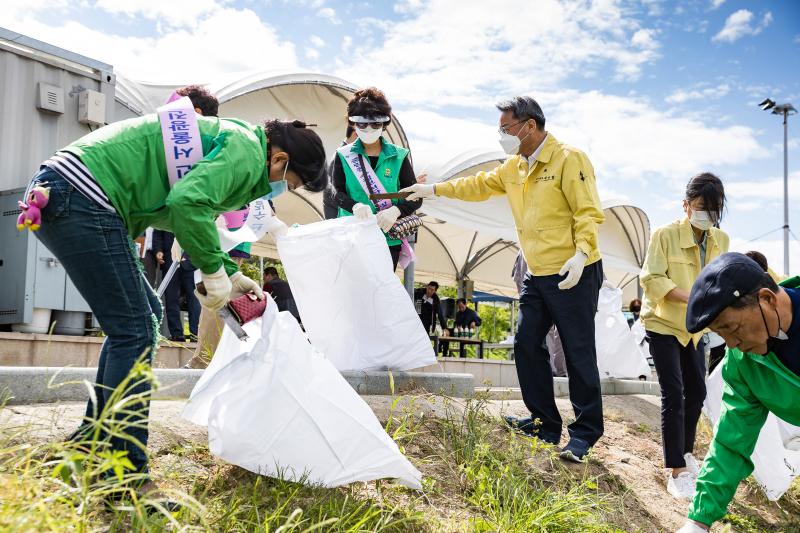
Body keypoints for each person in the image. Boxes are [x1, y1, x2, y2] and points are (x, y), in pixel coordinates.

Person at [27, 106, 326, 500]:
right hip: (84, 195)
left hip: (72, 191)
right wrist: (214, 273)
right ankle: (123, 477)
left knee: (143, 319)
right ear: (279, 159)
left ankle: (86, 447)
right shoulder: (244, 150)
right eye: (292, 181)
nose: (284, 189)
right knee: (134, 330)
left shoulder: (236, 139)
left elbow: (176, 211)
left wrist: (227, 273)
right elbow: (189, 203)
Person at [402, 96, 605, 462]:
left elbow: (588, 211)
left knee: (577, 351)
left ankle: (586, 432)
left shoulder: (568, 158)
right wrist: (433, 190)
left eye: (505, 128)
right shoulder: (515, 167)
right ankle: (544, 423)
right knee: (526, 343)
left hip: (574, 270)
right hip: (537, 272)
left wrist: (582, 253)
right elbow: (477, 186)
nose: (501, 135)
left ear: (529, 126)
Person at [677, 253, 800, 532]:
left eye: (732, 328)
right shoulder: (744, 364)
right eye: (722, 335)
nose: (732, 345)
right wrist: (698, 521)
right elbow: (731, 443)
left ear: (767, 299)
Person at [639, 172, 729, 499]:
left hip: (694, 329)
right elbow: (652, 279)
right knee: (673, 394)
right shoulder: (664, 235)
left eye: (714, 209)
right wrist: (692, 297)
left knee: (698, 392)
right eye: (702, 206)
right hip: (662, 322)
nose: (707, 214)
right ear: (687, 205)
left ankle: (687, 452)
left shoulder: (721, 241)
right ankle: (675, 471)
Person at [332, 87, 422, 270]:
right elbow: (336, 193)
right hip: (352, 237)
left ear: (384, 124)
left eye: (375, 124)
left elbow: (416, 197)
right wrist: (354, 206)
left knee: (381, 293)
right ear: (353, 124)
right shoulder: (343, 155)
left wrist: (396, 211)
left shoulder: (399, 156)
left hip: (388, 240)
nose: (368, 129)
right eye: (362, 124)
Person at [152, 229, 200, 341]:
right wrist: (158, 250)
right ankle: (176, 334)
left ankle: (195, 334)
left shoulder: (196, 211)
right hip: (170, 260)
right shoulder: (165, 211)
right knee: (171, 297)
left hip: (192, 260)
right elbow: (158, 231)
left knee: (195, 297)